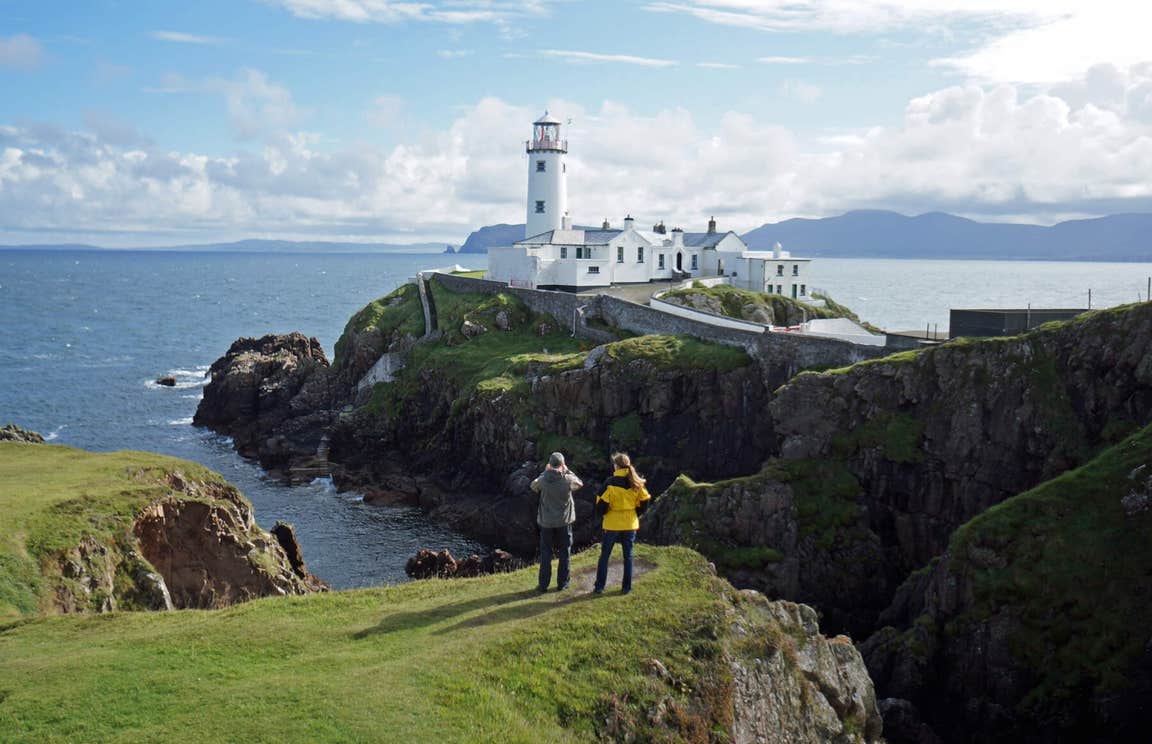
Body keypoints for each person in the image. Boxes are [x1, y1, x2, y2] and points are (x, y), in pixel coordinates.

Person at [592, 452, 651, 595]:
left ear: (617, 466)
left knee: (605, 556)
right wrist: (636, 512)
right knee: (628, 556)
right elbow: (645, 500)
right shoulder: (636, 482)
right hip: (630, 523)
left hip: (612, 523)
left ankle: (600, 587)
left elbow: (600, 504)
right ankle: (626, 587)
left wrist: (605, 513)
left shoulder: (610, 482)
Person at [530, 451, 583, 592]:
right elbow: (579, 484)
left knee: (546, 553)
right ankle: (563, 584)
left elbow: (533, 486)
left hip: (546, 522)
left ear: (550, 464)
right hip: (564, 522)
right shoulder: (567, 479)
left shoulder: (543, 480)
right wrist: (567, 471)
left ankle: (543, 585)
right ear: (562, 464)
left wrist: (544, 473)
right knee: (565, 552)